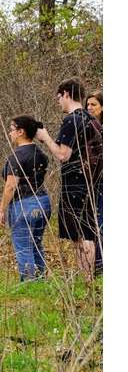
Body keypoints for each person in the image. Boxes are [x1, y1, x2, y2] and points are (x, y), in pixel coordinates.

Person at [35, 78, 99, 280]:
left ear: (66, 94)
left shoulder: (72, 120)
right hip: (91, 182)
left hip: (76, 183)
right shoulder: (91, 118)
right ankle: (88, 279)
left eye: (59, 98)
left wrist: (45, 138)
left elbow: (63, 154)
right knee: (86, 231)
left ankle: (86, 278)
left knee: (81, 235)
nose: (58, 102)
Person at [0, 116, 51, 281]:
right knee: (36, 243)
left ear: (21, 132)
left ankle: (29, 283)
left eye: (12, 129)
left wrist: (2, 209)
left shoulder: (17, 156)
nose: (10, 133)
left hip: (24, 205)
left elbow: (10, 186)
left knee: (23, 247)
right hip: (43, 202)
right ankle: (40, 279)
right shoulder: (41, 154)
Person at [86, 90, 103, 275]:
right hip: (93, 182)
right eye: (88, 105)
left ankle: (100, 264)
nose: (89, 108)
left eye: (94, 105)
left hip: (102, 183)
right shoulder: (88, 127)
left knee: (101, 222)